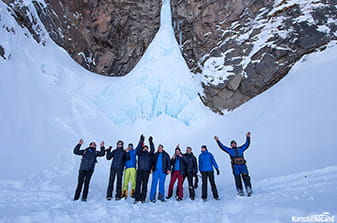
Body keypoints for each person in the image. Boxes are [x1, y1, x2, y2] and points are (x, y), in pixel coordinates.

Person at [214, 132, 253, 196]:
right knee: (237, 178)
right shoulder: (229, 150)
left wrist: (248, 137)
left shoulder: (241, 148)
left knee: (246, 177)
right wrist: (218, 141)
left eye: (234, 144)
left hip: (243, 165)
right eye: (232, 144)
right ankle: (240, 190)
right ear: (231, 145)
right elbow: (222, 147)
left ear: (236, 144)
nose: (233, 145)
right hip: (235, 166)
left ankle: (248, 188)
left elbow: (247, 144)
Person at [134, 135, 154, 204]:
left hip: (146, 171)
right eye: (144, 148)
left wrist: (150, 142)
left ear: (147, 149)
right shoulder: (139, 153)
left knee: (145, 185)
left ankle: (143, 198)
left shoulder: (150, 154)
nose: (145, 149)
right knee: (138, 184)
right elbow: (138, 149)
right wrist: (141, 140)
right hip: (139, 170)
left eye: (146, 148)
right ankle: (137, 198)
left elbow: (153, 149)